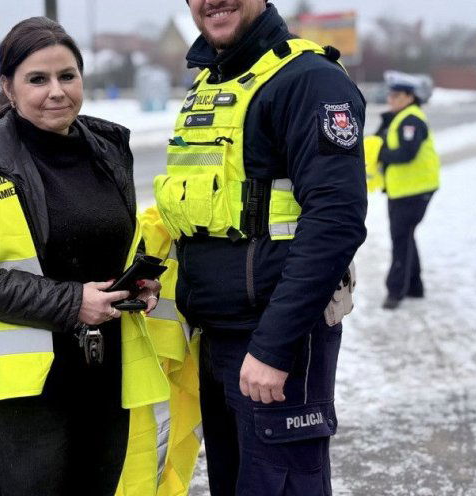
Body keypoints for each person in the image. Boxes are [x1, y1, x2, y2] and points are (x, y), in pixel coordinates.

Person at [0, 17, 169, 495]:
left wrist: (133, 280)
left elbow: (104, 241)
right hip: (23, 399)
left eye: (68, 76)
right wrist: (70, 302)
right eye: (37, 79)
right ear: (8, 88)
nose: (56, 91)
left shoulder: (107, 151)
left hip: (103, 381)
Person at [153, 1, 368, 494]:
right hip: (218, 339)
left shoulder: (309, 79)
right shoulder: (212, 84)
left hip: (276, 344)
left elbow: (335, 220)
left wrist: (274, 346)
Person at [374, 71, 440, 310]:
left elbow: (406, 153)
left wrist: (379, 153)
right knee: (407, 236)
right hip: (407, 189)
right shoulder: (402, 117)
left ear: (409, 97)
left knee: (400, 239)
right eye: (390, 95)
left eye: (396, 95)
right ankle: (414, 286)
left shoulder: (411, 120)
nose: (391, 99)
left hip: (412, 191)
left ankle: (395, 292)